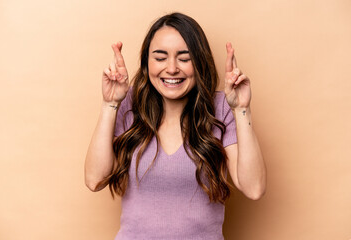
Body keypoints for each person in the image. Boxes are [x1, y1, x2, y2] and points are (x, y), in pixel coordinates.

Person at [84, 12, 266, 240]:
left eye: (184, 58)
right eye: (160, 58)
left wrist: (241, 109)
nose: (171, 68)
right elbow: (94, 179)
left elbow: (254, 187)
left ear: (200, 62)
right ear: (146, 62)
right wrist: (110, 103)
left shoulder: (220, 108)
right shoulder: (129, 104)